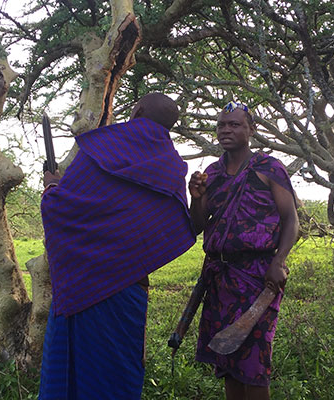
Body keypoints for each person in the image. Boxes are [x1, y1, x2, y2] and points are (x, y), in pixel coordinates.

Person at [38, 93, 196, 399]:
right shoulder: (172, 170)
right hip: (128, 287)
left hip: (79, 285)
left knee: (68, 376)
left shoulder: (101, 147)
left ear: (136, 111)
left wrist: (51, 187)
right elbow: (175, 227)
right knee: (116, 375)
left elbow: (59, 212)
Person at [189, 101, 299, 400]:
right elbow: (198, 225)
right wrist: (197, 197)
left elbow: (291, 220)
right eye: (222, 125)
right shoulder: (212, 173)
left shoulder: (268, 168)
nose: (226, 130)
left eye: (235, 125)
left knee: (254, 362)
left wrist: (279, 261)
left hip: (258, 277)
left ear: (252, 129)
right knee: (228, 360)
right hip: (220, 278)